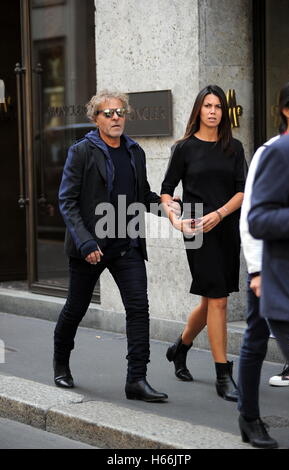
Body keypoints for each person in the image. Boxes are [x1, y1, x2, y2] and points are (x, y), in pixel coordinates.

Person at [53, 90, 179, 403]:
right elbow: (67, 201)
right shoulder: (81, 152)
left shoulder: (135, 152)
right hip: (90, 248)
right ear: (95, 119)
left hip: (127, 245)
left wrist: (168, 206)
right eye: (108, 113)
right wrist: (85, 241)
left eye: (120, 112)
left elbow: (143, 196)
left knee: (138, 309)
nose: (115, 118)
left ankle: (136, 379)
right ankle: (61, 364)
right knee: (76, 308)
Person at [161, 85, 247, 401]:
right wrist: (175, 219)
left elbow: (242, 190)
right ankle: (223, 374)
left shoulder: (234, 148)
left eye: (218, 107)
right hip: (196, 228)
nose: (213, 111)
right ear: (198, 110)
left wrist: (221, 214)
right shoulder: (184, 148)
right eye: (207, 105)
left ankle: (179, 348)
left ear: (224, 113)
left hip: (226, 228)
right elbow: (167, 191)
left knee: (210, 300)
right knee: (219, 300)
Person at [237, 80, 289, 449]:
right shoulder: (271, 151)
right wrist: (257, 271)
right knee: (255, 339)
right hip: (268, 270)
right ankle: (249, 416)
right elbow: (251, 218)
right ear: (285, 108)